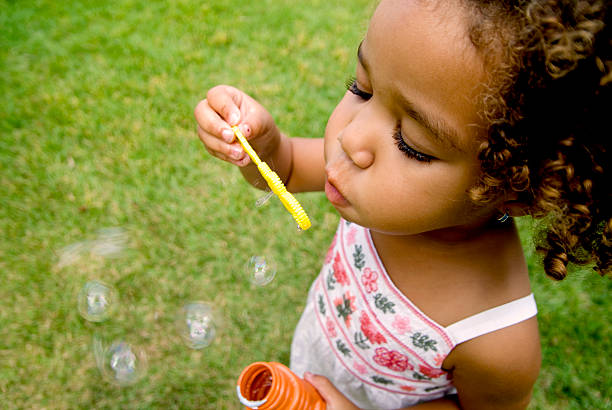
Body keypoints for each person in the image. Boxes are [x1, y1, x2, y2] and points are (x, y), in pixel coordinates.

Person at [194, 0, 610, 408]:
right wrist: (263, 146)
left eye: (411, 144)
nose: (351, 138)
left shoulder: (496, 341)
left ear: (518, 187)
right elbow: (283, 171)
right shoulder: (374, 186)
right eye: (362, 87)